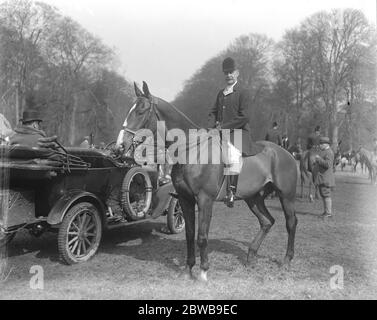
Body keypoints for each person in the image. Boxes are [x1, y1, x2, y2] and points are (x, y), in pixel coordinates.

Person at [208, 57, 262, 208]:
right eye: (226, 73)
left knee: (232, 154)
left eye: (231, 72)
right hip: (220, 133)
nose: (228, 75)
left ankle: (231, 191)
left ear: (237, 73)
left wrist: (223, 127)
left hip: (239, 133)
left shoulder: (243, 92)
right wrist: (209, 127)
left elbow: (245, 117)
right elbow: (213, 112)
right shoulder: (221, 93)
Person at [314, 136, 335, 218]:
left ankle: (328, 213)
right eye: (320, 144)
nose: (320, 145)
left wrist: (319, 159)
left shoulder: (329, 152)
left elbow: (328, 165)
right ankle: (326, 212)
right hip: (322, 178)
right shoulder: (324, 151)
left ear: (326, 144)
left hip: (326, 178)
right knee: (323, 194)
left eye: (321, 144)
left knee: (326, 194)